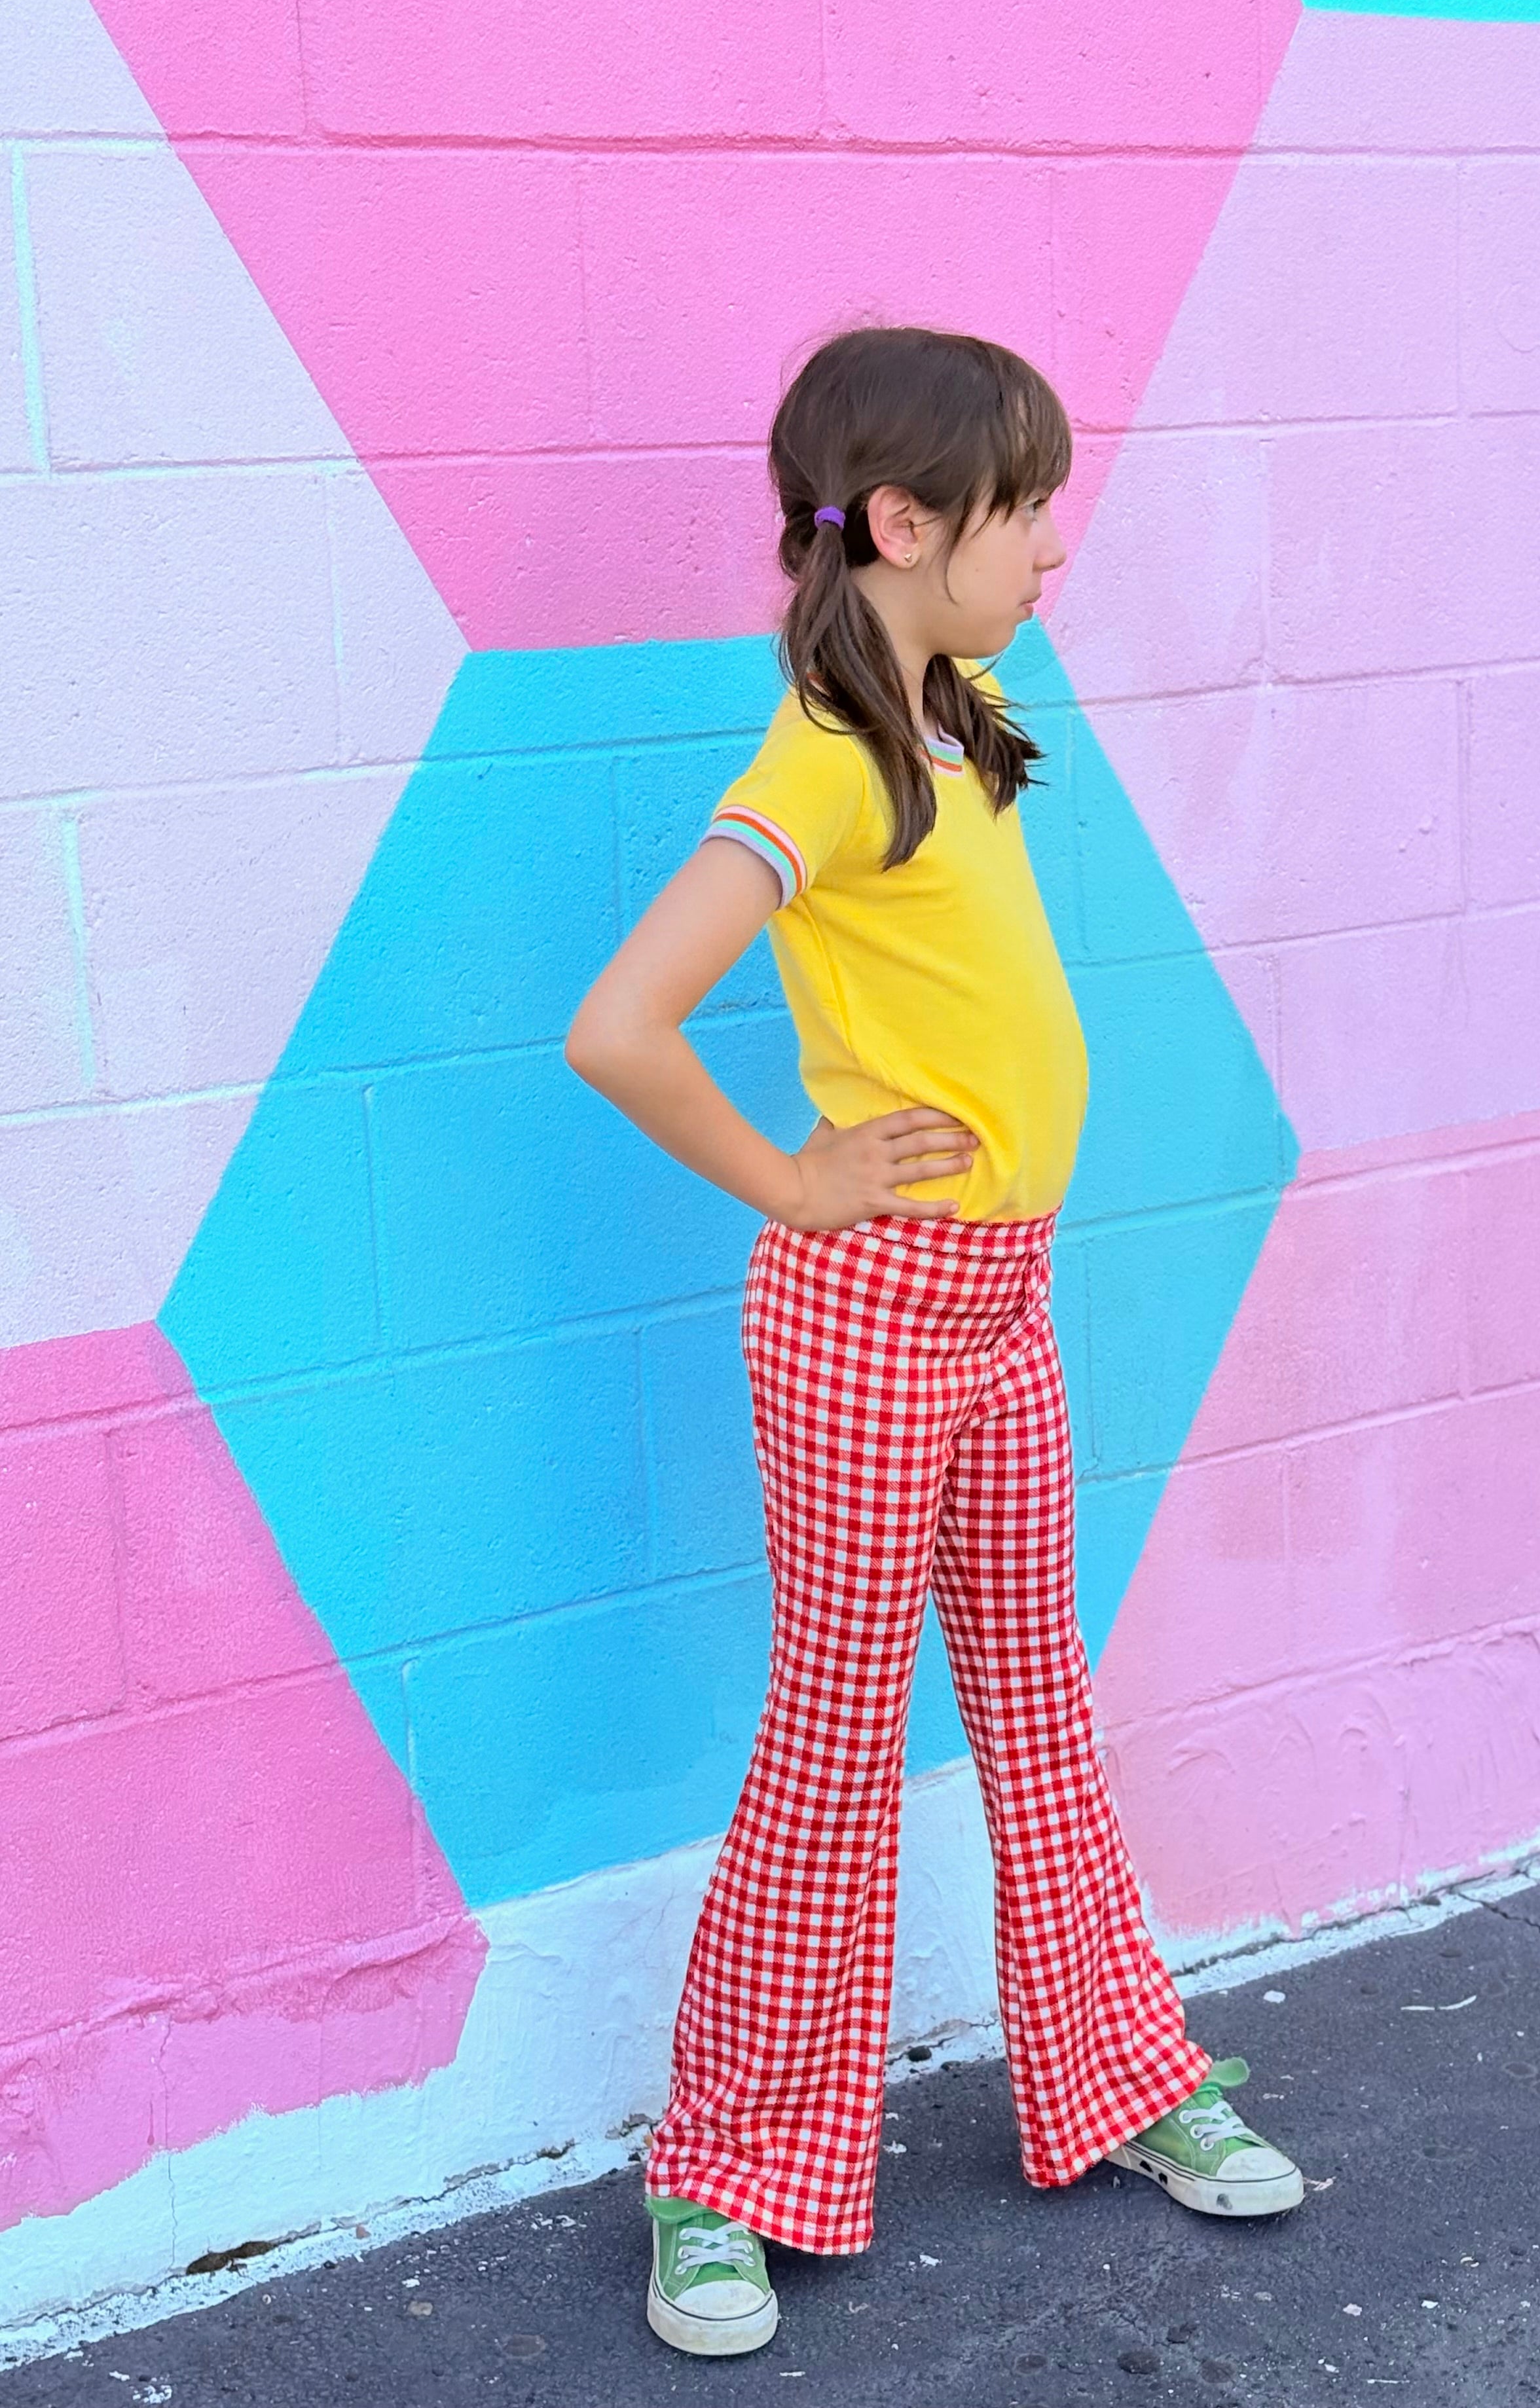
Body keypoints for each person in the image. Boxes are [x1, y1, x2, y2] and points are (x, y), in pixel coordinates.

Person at [565, 326, 1302, 2361]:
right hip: (873, 1317)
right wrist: (793, 1182)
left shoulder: (954, 708)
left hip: (1003, 1302)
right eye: (1029, 505)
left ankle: (1121, 2073)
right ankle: (721, 2171)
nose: (1059, 544)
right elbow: (618, 1027)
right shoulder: (821, 759)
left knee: (1039, 1704)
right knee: (837, 1734)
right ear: (903, 524)